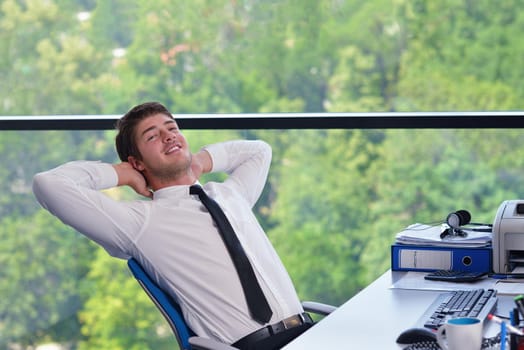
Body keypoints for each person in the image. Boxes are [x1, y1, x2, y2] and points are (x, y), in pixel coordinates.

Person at [32, 102, 313, 349]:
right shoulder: (139, 223)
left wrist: (201, 161)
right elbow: (48, 185)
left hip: (309, 333)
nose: (169, 136)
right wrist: (121, 174)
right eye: (152, 136)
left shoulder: (230, 195)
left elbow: (259, 152)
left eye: (172, 128)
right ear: (136, 162)